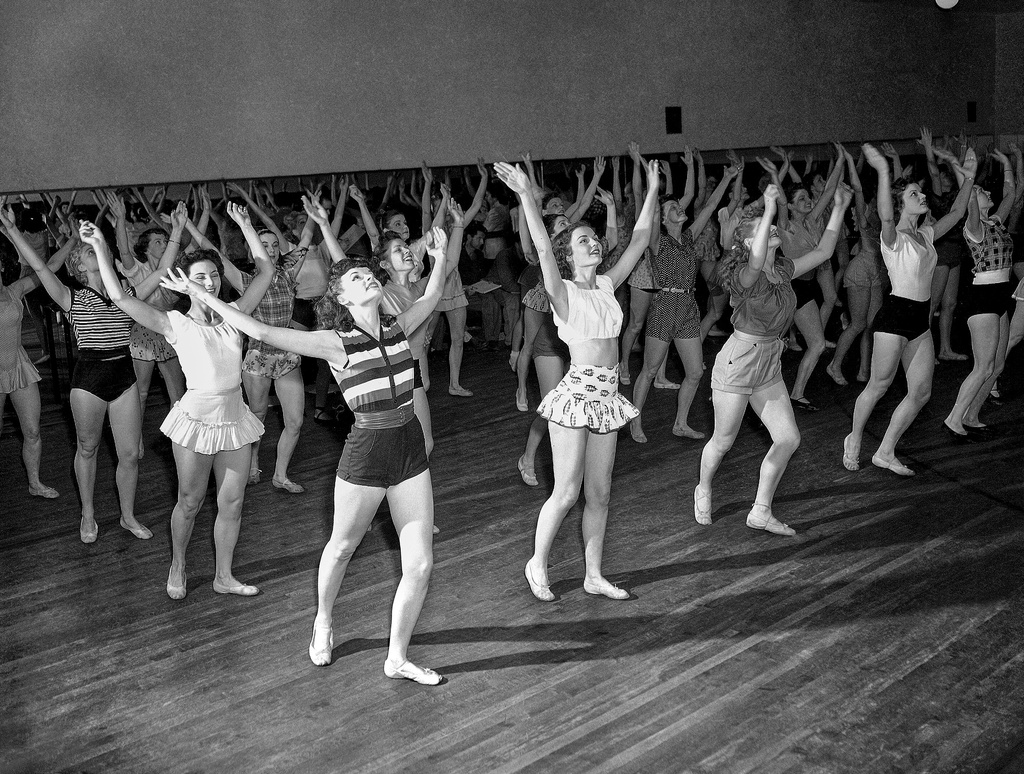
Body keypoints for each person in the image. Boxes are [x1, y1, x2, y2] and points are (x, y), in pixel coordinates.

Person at [169, 223, 452, 684]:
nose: (368, 279)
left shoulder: (399, 326)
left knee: (421, 562)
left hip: (409, 449)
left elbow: (433, 293)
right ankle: (323, 618)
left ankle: (397, 657)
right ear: (340, 298)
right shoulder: (333, 343)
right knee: (341, 548)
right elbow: (260, 328)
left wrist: (439, 257)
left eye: (368, 274)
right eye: (357, 279)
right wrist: (205, 299)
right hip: (366, 453)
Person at [85, 204, 274, 598]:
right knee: (190, 502)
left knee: (233, 502)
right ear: (183, 284)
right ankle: (179, 563)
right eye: (200, 277)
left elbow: (267, 271)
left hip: (234, 416)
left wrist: (244, 225)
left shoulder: (236, 313)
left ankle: (224, 575)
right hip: (196, 418)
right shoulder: (175, 322)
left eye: (213, 275)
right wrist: (102, 246)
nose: (209, 282)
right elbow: (119, 296)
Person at [495, 157, 661, 602]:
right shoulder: (562, 292)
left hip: (608, 396)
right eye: (583, 240)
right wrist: (526, 195)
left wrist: (652, 189)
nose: (594, 243)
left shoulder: (607, 285)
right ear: (571, 254)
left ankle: (593, 574)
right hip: (576, 396)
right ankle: (537, 562)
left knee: (601, 494)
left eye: (593, 238)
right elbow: (544, 250)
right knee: (566, 492)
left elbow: (640, 238)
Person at [695, 182, 852, 535]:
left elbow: (825, 250)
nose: (774, 230)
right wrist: (766, 209)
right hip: (739, 361)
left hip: (769, 363)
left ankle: (761, 511)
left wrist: (840, 208)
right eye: (765, 231)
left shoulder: (782, 270)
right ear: (749, 242)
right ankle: (703, 487)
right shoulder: (743, 276)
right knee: (723, 441)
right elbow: (754, 261)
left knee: (788, 438)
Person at [9, 206, 154, 543]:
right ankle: (87, 513)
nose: (95, 252)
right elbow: (43, 267)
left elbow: (157, 270)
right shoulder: (71, 297)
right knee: (87, 448)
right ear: (78, 267)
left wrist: (106, 239)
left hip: (123, 375)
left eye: (97, 250)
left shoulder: (126, 296)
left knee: (129, 453)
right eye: (89, 252)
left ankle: (128, 516)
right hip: (88, 379)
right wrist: (12, 232)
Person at [843, 143, 976, 475]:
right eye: (915, 194)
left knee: (921, 392)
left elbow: (958, 214)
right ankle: (855, 438)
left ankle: (886, 450)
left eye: (921, 192)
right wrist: (885, 172)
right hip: (894, 318)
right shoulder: (894, 238)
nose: (922, 196)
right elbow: (886, 215)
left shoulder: (927, 235)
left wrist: (969, 180)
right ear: (902, 203)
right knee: (879, 385)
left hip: (920, 321)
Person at [630, 158, 738, 443]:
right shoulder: (657, 242)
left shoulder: (689, 238)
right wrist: (654, 191)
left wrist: (726, 178)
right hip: (664, 306)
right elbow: (651, 214)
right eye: (673, 208)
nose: (681, 209)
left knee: (695, 371)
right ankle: (635, 420)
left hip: (689, 307)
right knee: (650, 369)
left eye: (679, 206)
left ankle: (681, 423)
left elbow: (711, 207)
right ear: (664, 219)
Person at [0, 206, 75, 499]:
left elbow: (51, 266)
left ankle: (35, 482)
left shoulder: (14, 290)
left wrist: (72, 241)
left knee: (32, 431)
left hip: (18, 366)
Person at [943, 149, 1016, 438]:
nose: (987, 191)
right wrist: (968, 175)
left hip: (1000, 297)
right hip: (982, 299)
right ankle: (954, 418)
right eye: (981, 191)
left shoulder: (995, 222)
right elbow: (970, 201)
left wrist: (1008, 164)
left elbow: (1012, 193)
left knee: (996, 366)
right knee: (983, 365)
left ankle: (972, 414)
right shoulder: (974, 228)